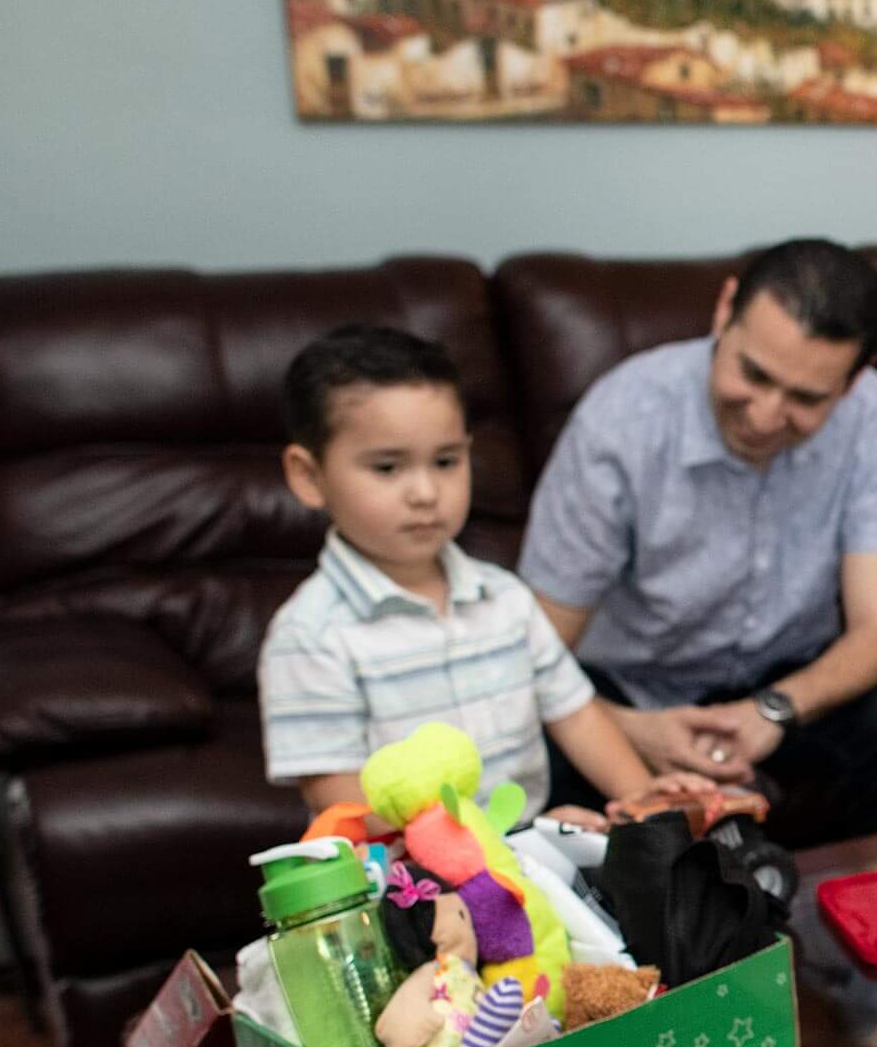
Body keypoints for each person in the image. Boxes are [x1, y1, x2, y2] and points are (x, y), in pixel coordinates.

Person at [521, 239, 877, 844]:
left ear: (855, 380)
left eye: (807, 399)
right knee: (540, 752)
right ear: (724, 311)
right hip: (629, 688)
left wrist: (775, 709)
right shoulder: (621, 419)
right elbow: (533, 649)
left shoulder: (874, 416)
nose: (765, 416)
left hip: (786, 678)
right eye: (753, 374)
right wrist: (629, 729)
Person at [259, 326, 681, 828]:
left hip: (527, 852)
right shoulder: (310, 636)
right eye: (388, 468)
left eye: (445, 461)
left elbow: (577, 715)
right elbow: (340, 799)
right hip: (408, 879)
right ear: (309, 476)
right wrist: (472, 856)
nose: (425, 492)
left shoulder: (504, 597)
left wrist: (645, 805)